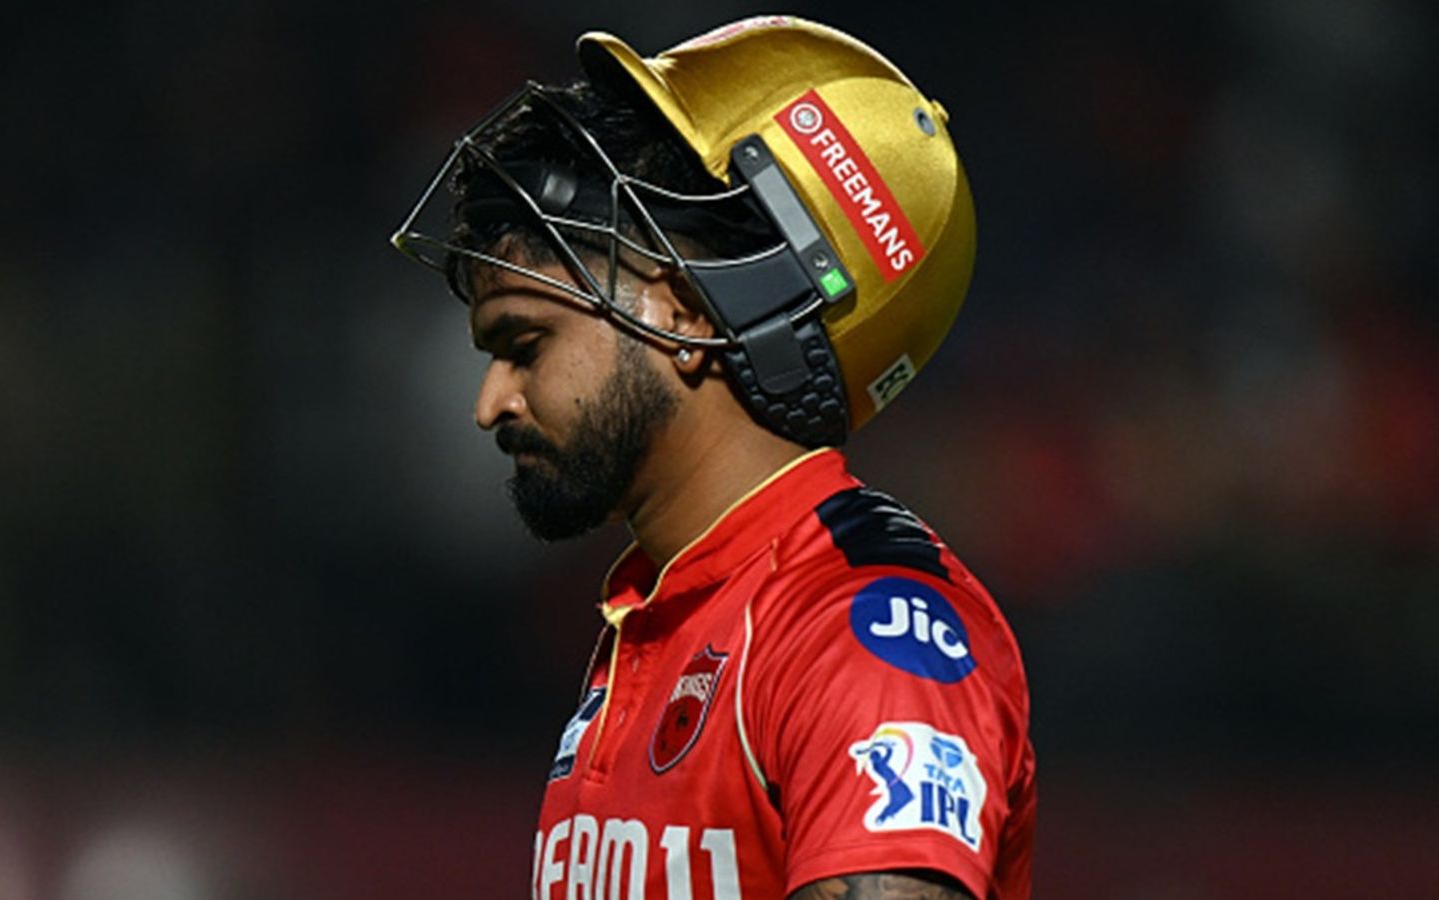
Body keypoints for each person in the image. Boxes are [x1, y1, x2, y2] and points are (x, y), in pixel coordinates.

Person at [391, 15, 1034, 900]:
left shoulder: (863, 637)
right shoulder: (665, 621)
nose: (489, 403)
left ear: (688, 314)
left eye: (527, 344)